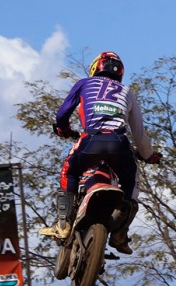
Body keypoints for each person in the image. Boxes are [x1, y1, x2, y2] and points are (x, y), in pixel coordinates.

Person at [41, 51, 161, 254]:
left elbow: (63, 113)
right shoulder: (127, 92)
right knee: (131, 183)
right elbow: (139, 133)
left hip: (90, 141)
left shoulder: (84, 83)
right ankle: (120, 235)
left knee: (69, 172)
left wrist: (63, 129)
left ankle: (63, 225)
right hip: (119, 144)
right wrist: (148, 155)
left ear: (96, 67)